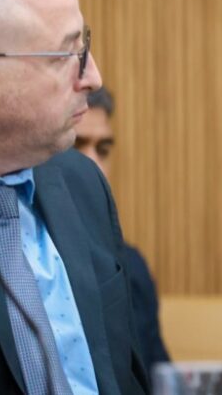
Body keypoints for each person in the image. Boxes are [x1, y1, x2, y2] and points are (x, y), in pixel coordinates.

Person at [0, 0, 146, 393]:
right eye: (66, 54)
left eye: (85, 46)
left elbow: (127, 375)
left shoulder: (81, 183)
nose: (92, 77)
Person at [76, 87, 171, 372]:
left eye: (103, 150)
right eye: (75, 147)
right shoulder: (16, 263)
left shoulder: (130, 267)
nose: (96, 167)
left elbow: (159, 379)